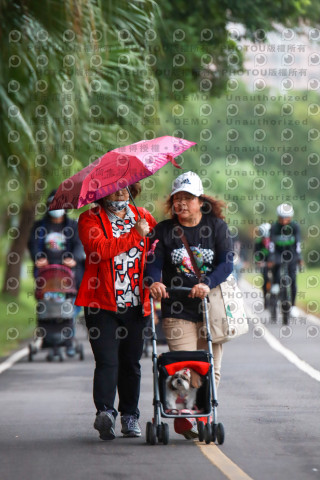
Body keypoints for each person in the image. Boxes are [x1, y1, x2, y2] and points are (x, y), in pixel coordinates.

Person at [145, 171, 233, 438]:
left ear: (200, 201)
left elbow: (227, 262)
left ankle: (204, 413)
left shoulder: (216, 226)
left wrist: (207, 282)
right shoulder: (164, 230)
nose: (181, 204)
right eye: (177, 199)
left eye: (187, 198)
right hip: (177, 308)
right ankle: (181, 415)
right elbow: (153, 261)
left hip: (210, 307)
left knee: (209, 367)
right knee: (182, 364)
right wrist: (154, 282)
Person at [74, 183, 156, 441]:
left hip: (136, 303)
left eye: (126, 189)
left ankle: (130, 415)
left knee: (131, 363)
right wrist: (135, 234)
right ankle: (106, 413)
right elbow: (100, 251)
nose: (121, 193)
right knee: (108, 361)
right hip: (102, 303)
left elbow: (156, 252)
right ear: (102, 193)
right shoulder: (90, 218)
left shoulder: (143, 216)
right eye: (115, 189)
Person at [28, 189, 85, 356]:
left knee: (68, 307)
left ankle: (68, 340)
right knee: (47, 306)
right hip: (46, 275)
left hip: (69, 276)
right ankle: (47, 337)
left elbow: (79, 245)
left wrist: (74, 258)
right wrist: (38, 258)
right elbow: (33, 246)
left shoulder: (73, 226)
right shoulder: (39, 227)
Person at [267, 203, 303, 318]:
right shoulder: (274, 227)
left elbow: (298, 244)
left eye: (286, 218)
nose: (283, 221)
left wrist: (299, 258)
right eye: (281, 218)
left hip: (291, 254)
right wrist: (271, 258)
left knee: (292, 279)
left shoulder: (295, 227)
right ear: (278, 217)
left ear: (291, 217)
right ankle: (276, 286)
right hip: (277, 254)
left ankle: (293, 306)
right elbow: (271, 244)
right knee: (276, 269)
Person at [253, 223, 271, 308]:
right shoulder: (259, 242)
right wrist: (258, 261)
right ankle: (265, 298)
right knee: (265, 279)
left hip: (273, 262)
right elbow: (256, 254)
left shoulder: (273, 241)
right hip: (264, 263)